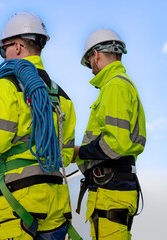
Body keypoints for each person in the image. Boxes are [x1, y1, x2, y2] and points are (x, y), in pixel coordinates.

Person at [0, 12, 76, 240]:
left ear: (18, 47)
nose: (4, 56)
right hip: (55, 201)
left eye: (4, 49)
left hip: (17, 201)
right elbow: (66, 155)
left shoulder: (5, 85)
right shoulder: (63, 97)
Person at [73, 28, 146, 240]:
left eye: (88, 62)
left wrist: (80, 152)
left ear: (96, 54)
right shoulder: (120, 85)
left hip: (111, 190)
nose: (90, 69)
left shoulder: (114, 86)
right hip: (114, 188)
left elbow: (115, 144)